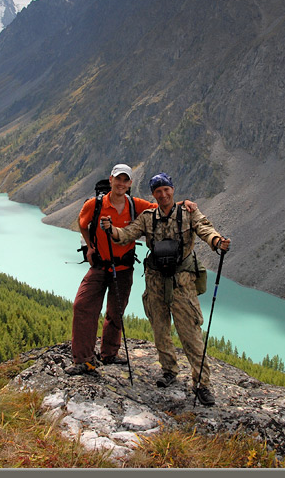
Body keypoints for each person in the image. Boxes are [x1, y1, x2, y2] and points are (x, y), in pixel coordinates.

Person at [101, 172, 230, 406]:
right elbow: (127, 234)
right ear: (153, 194)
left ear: (173, 189)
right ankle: (169, 370)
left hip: (182, 282)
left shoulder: (189, 213)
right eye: (158, 191)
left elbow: (204, 228)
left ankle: (202, 384)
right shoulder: (147, 217)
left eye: (166, 189)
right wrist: (112, 231)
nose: (163, 194)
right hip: (155, 281)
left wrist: (216, 241)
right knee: (160, 329)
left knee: (190, 333)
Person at [65, 164, 197, 376]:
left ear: (130, 184)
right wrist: (90, 246)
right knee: (83, 307)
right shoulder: (95, 205)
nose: (121, 184)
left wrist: (184, 203)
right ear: (111, 180)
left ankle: (109, 353)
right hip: (100, 265)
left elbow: (164, 206)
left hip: (124, 267)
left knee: (116, 311)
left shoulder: (136, 205)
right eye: (118, 179)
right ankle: (83, 359)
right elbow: (82, 223)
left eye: (126, 180)